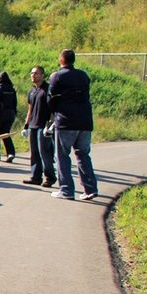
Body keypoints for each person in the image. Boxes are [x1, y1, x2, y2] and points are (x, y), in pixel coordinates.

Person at [47, 49, 98, 201]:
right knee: (83, 155)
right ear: (73, 60)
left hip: (66, 121)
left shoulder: (57, 76)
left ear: (61, 60)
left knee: (62, 155)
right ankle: (90, 188)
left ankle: (66, 189)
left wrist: (53, 115)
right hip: (84, 121)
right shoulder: (83, 76)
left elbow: (51, 98)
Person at [22, 66, 56, 187]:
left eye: (36, 73)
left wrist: (50, 125)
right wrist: (26, 126)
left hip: (43, 125)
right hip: (33, 125)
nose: (33, 75)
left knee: (44, 152)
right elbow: (30, 110)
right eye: (32, 73)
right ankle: (36, 177)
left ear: (42, 75)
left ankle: (50, 177)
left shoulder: (47, 90)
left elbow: (53, 109)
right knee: (34, 152)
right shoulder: (32, 91)